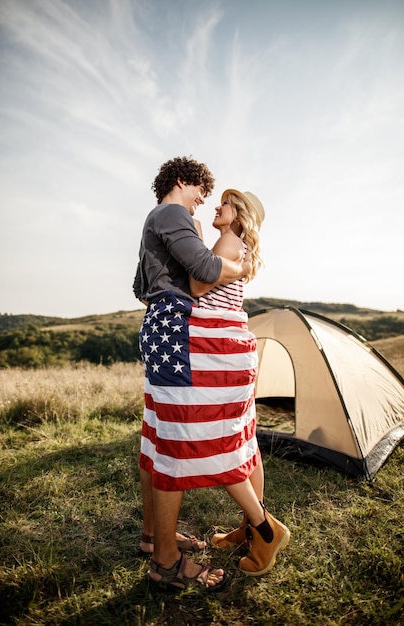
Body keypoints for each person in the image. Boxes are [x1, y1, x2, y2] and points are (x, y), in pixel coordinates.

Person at [133, 156, 253, 591]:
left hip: (159, 323)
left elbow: (138, 286)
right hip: (175, 330)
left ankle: (154, 538)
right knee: (174, 444)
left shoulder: (157, 221)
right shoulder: (171, 213)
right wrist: (240, 267)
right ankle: (167, 560)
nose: (203, 200)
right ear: (183, 181)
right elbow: (203, 273)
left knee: (158, 433)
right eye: (201, 190)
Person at [189, 189, 290, 576]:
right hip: (235, 351)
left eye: (225, 204)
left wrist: (194, 240)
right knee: (244, 440)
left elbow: (198, 286)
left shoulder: (227, 240)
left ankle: (265, 531)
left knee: (219, 443)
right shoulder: (239, 246)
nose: (218, 207)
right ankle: (250, 527)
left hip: (218, 354)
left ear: (239, 216)